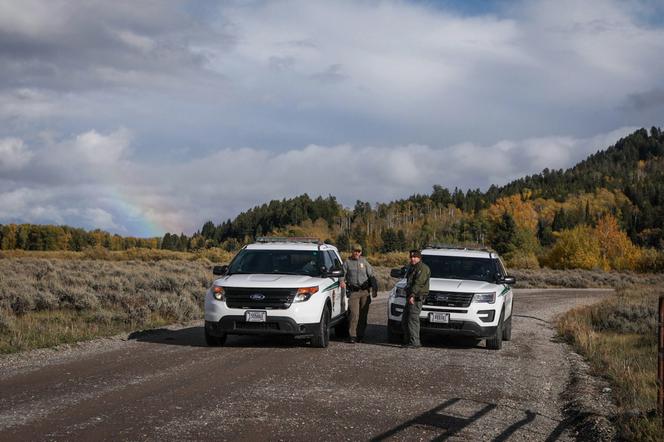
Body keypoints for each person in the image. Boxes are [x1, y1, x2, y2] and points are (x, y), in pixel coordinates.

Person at [340, 244, 377, 343]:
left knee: (363, 315)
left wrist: (374, 289)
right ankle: (352, 335)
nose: (357, 253)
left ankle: (360, 335)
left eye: (359, 251)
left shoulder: (364, 262)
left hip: (365, 292)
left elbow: (372, 275)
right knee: (354, 314)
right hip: (354, 292)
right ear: (352, 251)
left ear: (361, 252)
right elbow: (341, 274)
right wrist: (341, 281)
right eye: (355, 251)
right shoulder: (347, 262)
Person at [401, 249, 430, 348]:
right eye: (411, 257)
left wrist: (412, 295)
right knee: (405, 319)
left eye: (415, 257)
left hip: (416, 297)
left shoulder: (423, 268)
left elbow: (419, 283)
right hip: (410, 296)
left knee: (413, 319)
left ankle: (415, 342)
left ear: (419, 258)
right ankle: (408, 341)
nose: (413, 259)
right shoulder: (412, 268)